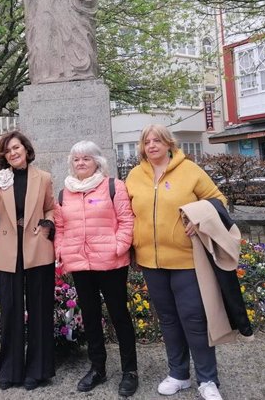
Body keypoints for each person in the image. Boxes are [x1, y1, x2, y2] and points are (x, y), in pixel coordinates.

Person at [125, 125, 228, 400]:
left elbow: (218, 201)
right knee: (168, 320)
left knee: (194, 318)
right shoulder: (135, 176)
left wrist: (200, 220)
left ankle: (207, 379)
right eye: (147, 141)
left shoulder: (190, 171)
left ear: (169, 143)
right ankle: (179, 374)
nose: (152, 145)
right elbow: (126, 212)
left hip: (186, 261)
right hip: (150, 261)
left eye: (157, 140)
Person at [54, 140, 139, 396]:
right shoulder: (64, 193)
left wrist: (118, 246)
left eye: (86, 159)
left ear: (97, 162)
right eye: (77, 159)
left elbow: (126, 220)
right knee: (90, 317)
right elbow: (60, 228)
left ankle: (129, 371)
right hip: (81, 264)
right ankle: (97, 368)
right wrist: (62, 250)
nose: (81, 163)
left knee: (119, 316)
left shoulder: (114, 186)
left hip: (111, 263)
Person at [0, 131, 55, 391]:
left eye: (16, 148)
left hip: (37, 246)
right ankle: (10, 371)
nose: (12, 153)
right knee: (10, 311)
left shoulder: (43, 177)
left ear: (26, 150)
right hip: (7, 248)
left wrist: (48, 224)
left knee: (39, 310)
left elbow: (50, 207)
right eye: (7, 150)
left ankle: (38, 371)